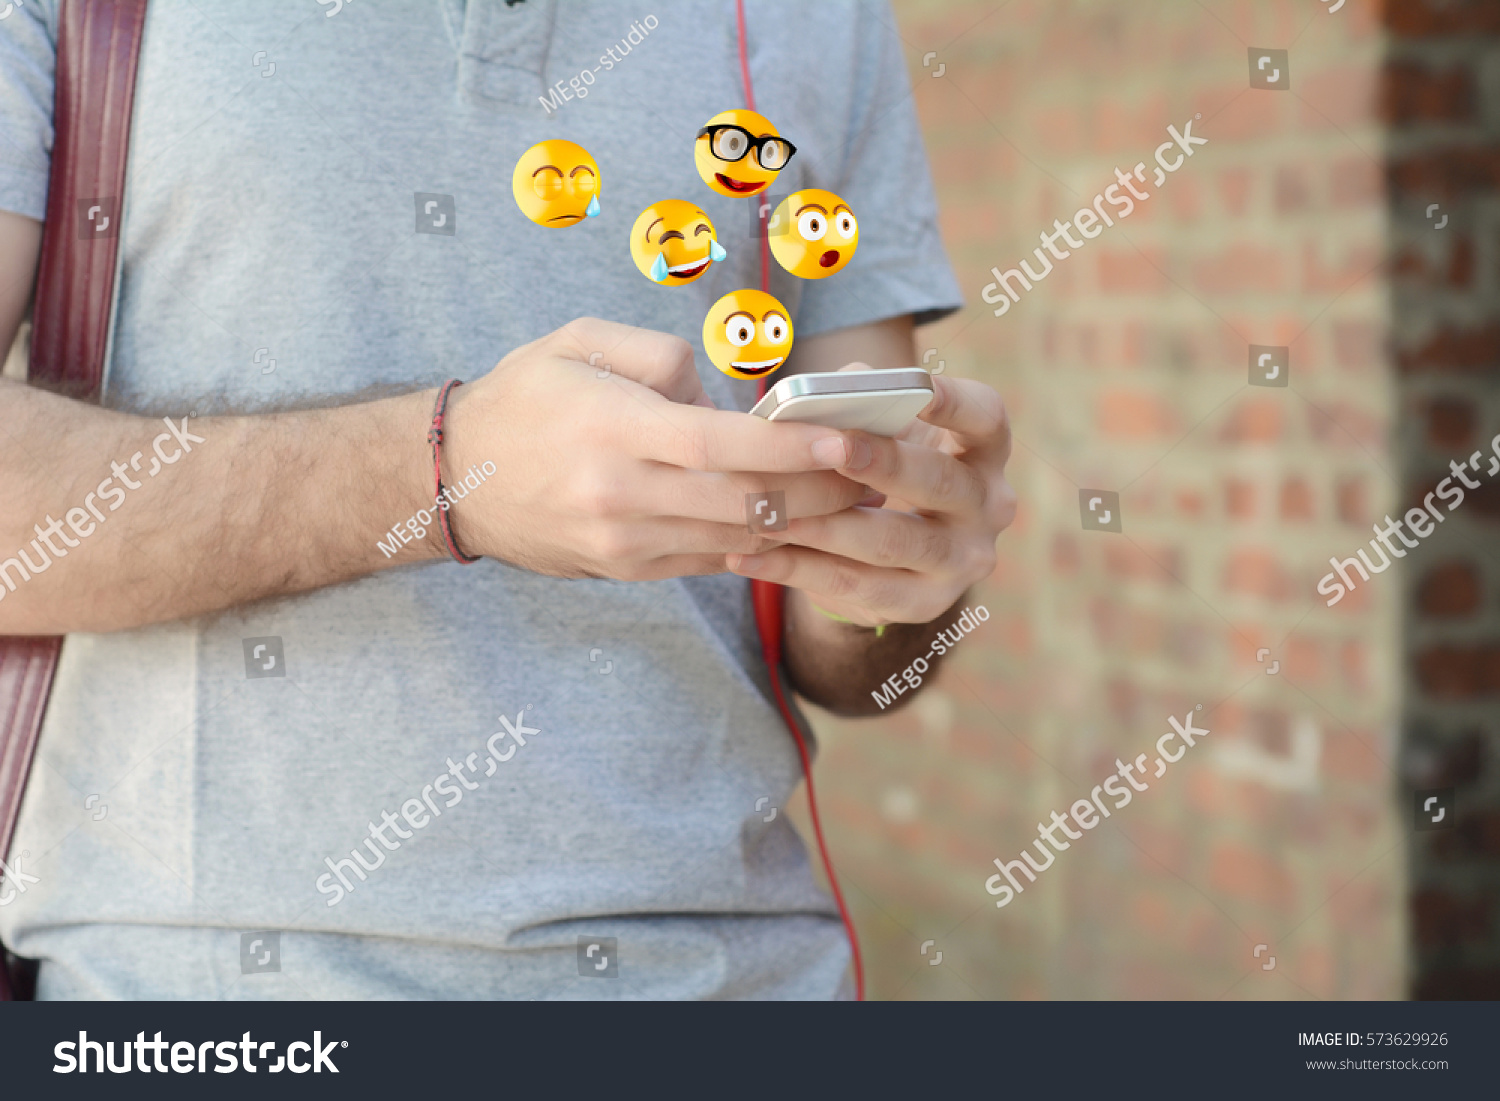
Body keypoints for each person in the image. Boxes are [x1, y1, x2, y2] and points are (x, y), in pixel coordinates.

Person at [0, 0, 1014, 999]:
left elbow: (856, 646)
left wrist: (887, 575)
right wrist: (444, 474)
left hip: (737, 982)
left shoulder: (821, 21)